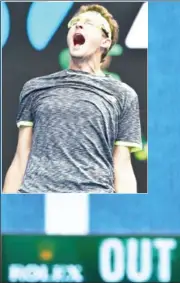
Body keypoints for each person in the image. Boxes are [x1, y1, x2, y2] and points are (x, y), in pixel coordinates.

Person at [3, 4, 142, 193]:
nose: (79, 26)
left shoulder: (124, 95)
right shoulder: (35, 87)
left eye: (90, 23)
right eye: (75, 22)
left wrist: (126, 215)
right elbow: (20, 158)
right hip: (35, 201)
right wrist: (8, 212)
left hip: (95, 203)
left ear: (105, 42)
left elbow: (123, 167)